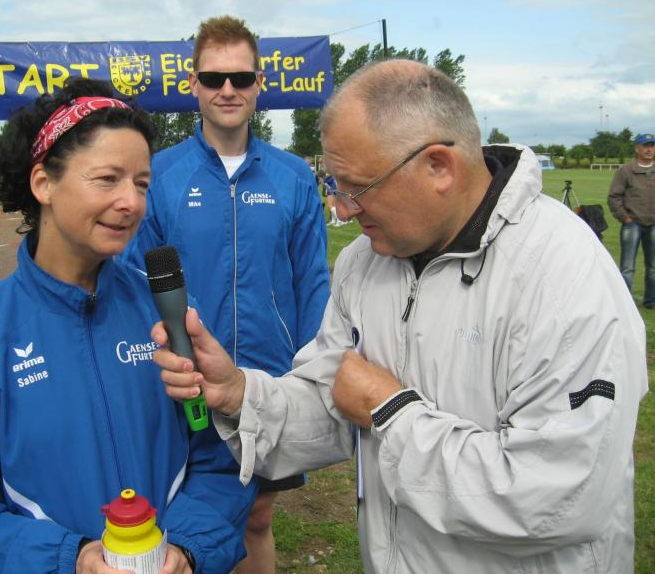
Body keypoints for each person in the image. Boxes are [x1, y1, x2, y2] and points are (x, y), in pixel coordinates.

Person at [153, 60, 648, 573]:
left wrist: (390, 412)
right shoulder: (363, 263)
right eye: (334, 185)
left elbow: (560, 499)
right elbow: (332, 402)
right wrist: (240, 394)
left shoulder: (561, 275)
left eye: (357, 187)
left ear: (439, 167)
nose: (342, 209)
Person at [0, 77, 257, 574]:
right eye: (107, 179)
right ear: (43, 183)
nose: (132, 203)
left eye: (141, 184)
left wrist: (187, 547)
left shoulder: (170, 315)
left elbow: (221, 457)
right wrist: (69, 559)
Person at [122, 16, 330, 574]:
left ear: (260, 83)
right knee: (184, 516)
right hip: (184, 384)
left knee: (256, 517)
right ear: (193, 84)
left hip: (270, 380)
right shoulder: (159, 176)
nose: (228, 90)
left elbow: (313, 282)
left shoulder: (293, 176)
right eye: (214, 78)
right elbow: (133, 282)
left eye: (241, 77)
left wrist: (311, 374)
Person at [608, 132, 655, 307]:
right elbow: (614, 197)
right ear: (637, 148)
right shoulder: (625, 170)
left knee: (653, 267)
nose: (649, 149)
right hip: (632, 224)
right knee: (628, 267)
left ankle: (651, 300)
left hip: (653, 224)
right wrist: (625, 218)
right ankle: (625, 303)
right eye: (645, 146)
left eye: (652, 145)